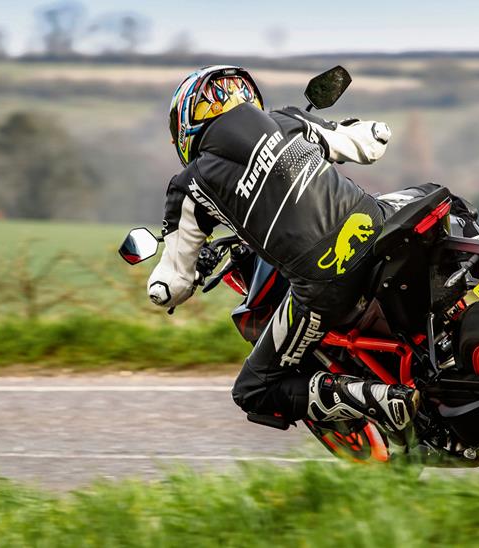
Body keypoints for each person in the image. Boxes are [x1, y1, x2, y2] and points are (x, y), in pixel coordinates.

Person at [147, 65, 420, 438]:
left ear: (186, 127)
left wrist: (170, 286)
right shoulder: (286, 120)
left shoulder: (191, 183)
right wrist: (361, 128)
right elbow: (370, 144)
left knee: (253, 390)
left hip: (324, 284)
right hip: (376, 227)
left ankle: (376, 398)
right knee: (435, 195)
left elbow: (171, 285)